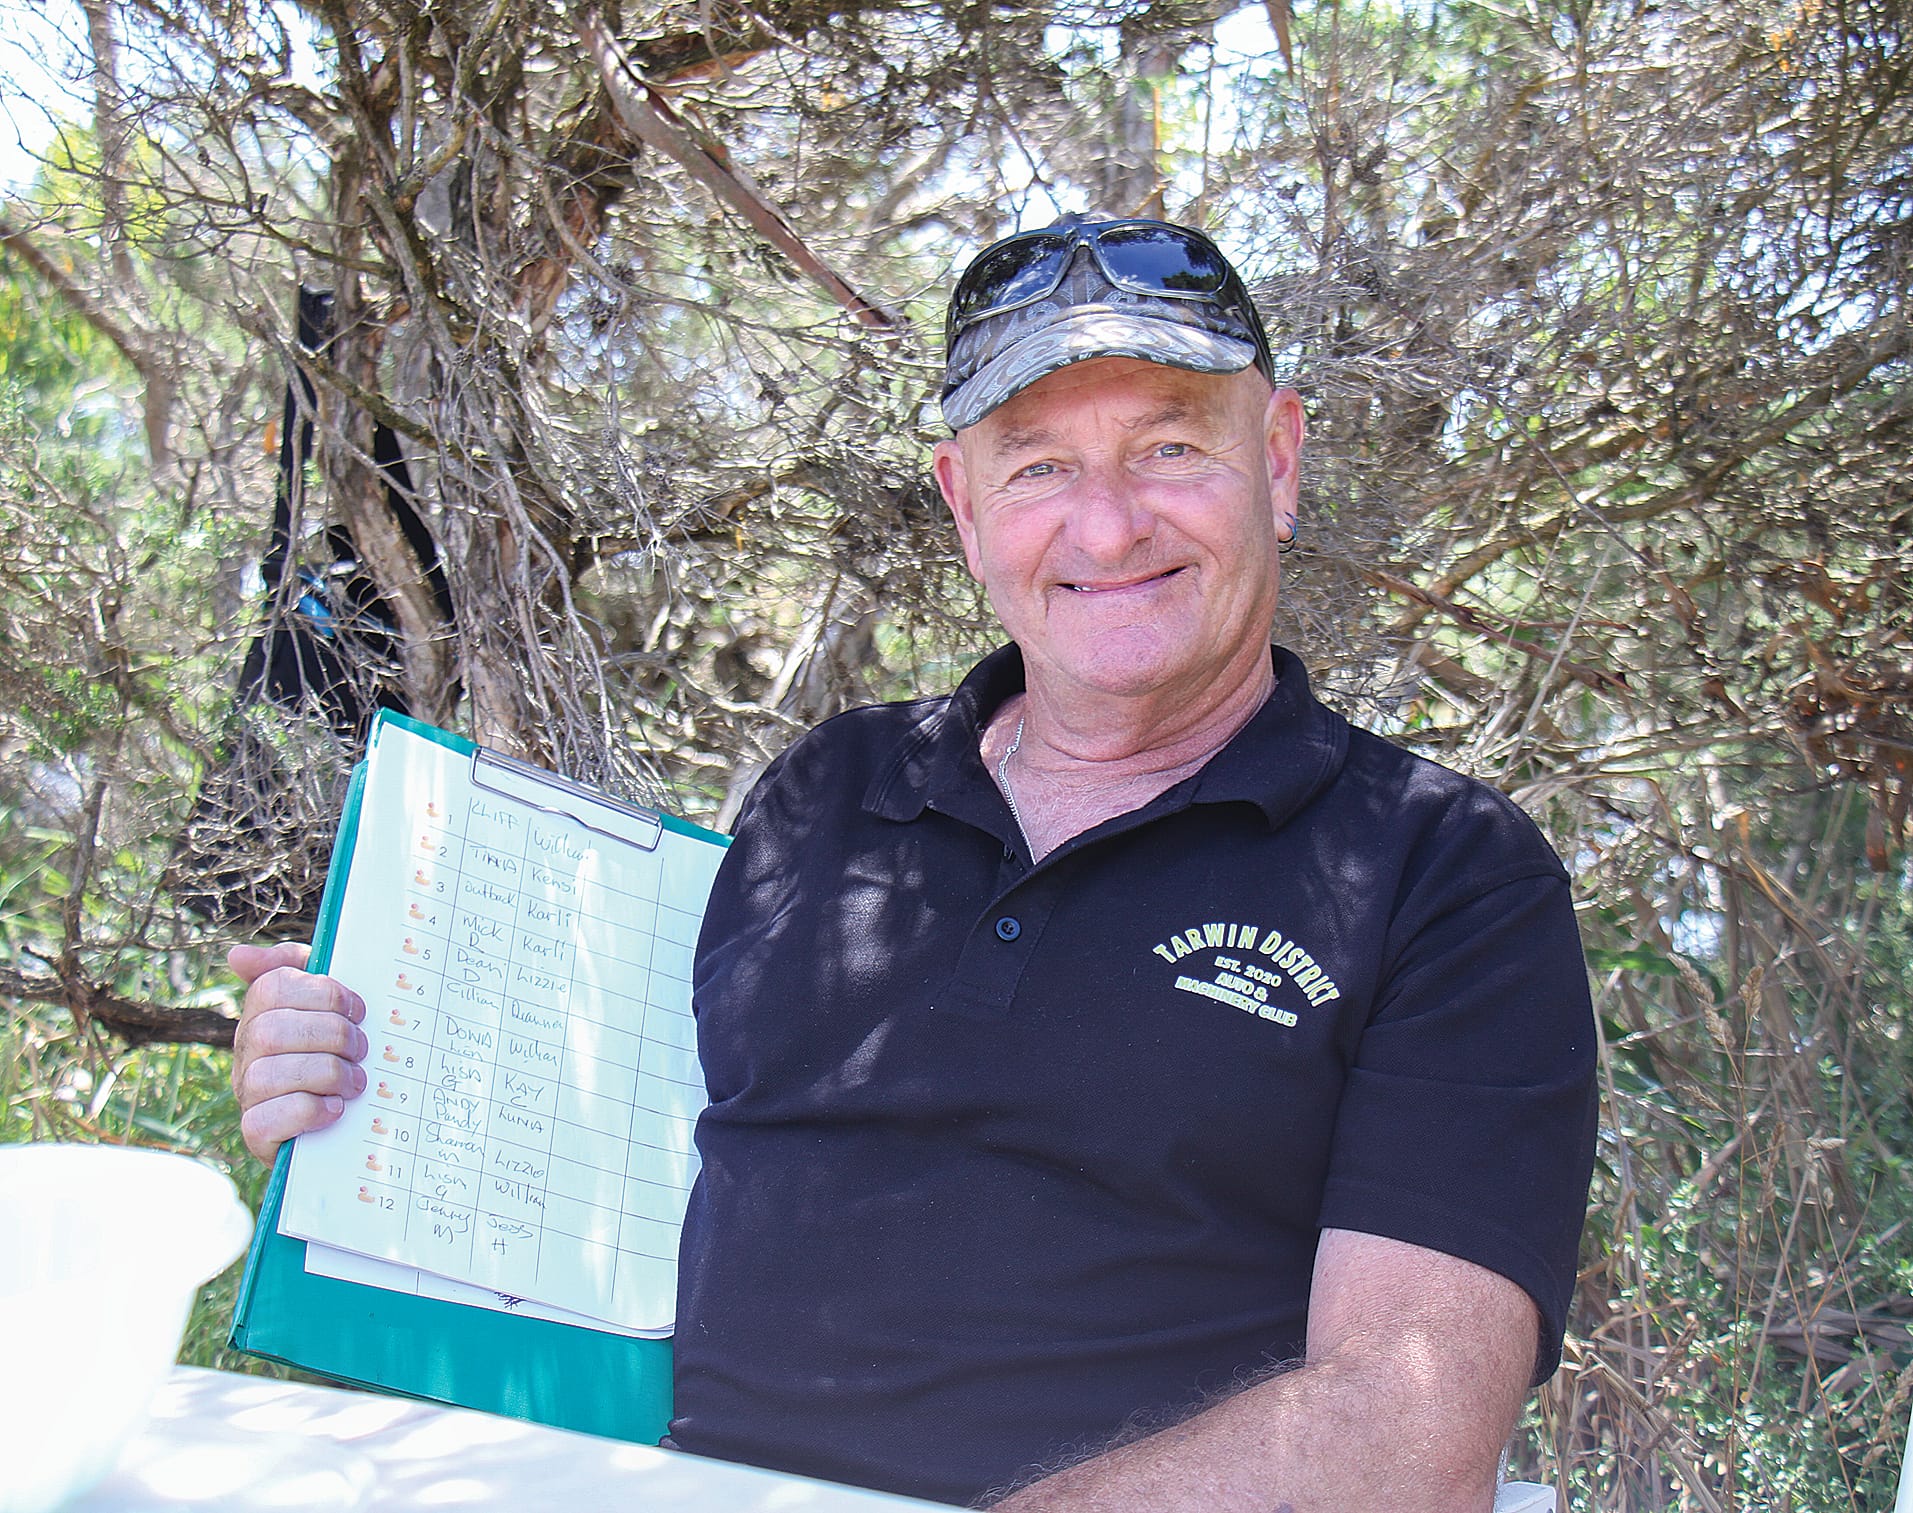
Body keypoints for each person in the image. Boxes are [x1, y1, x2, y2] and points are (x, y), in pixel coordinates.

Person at [230, 215, 1598, 1513]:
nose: (1107, 526)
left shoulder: (1444, 875)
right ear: (963, 506)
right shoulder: (830, 789)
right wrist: (357, 1068)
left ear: (1280, 463)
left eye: (1172, 447)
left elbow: (1402, 1436)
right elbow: (607, 1196)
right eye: (1037, 466)